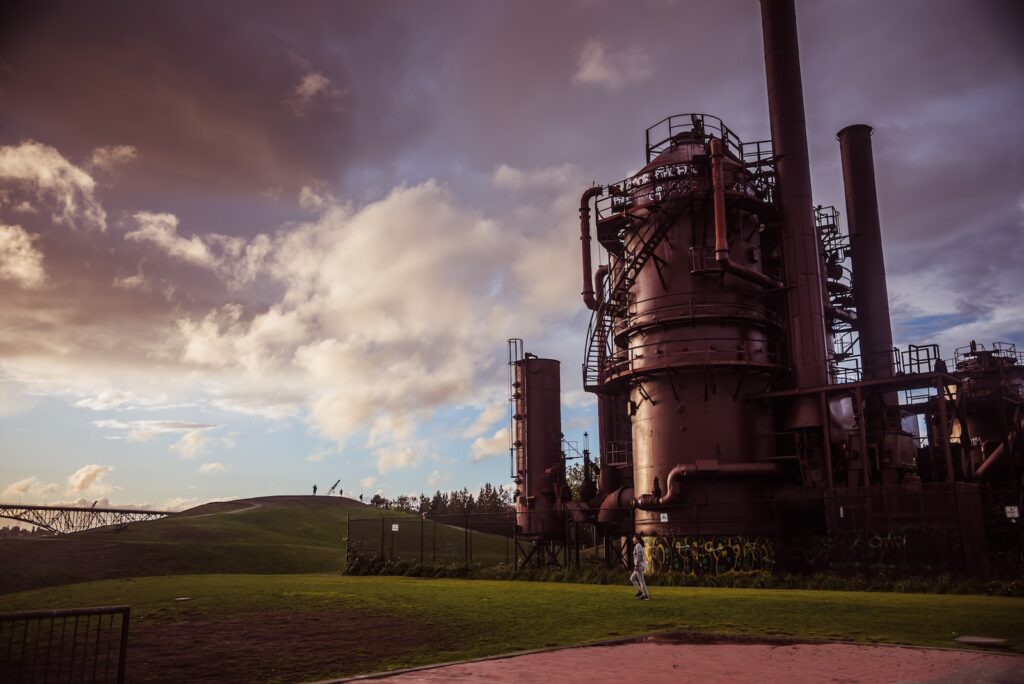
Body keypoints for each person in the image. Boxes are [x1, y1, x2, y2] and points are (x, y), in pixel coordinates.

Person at [630, 534, 649, 600]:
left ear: (637, 539)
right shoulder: (638, 546)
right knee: (632, 578)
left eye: (634, 538)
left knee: (641, 581)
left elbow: (639, 556)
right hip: (639, 565)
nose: (633, 540)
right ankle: (640, 592)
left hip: (639, 566)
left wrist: (636, 565)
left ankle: (645, 596)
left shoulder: (638, 546)